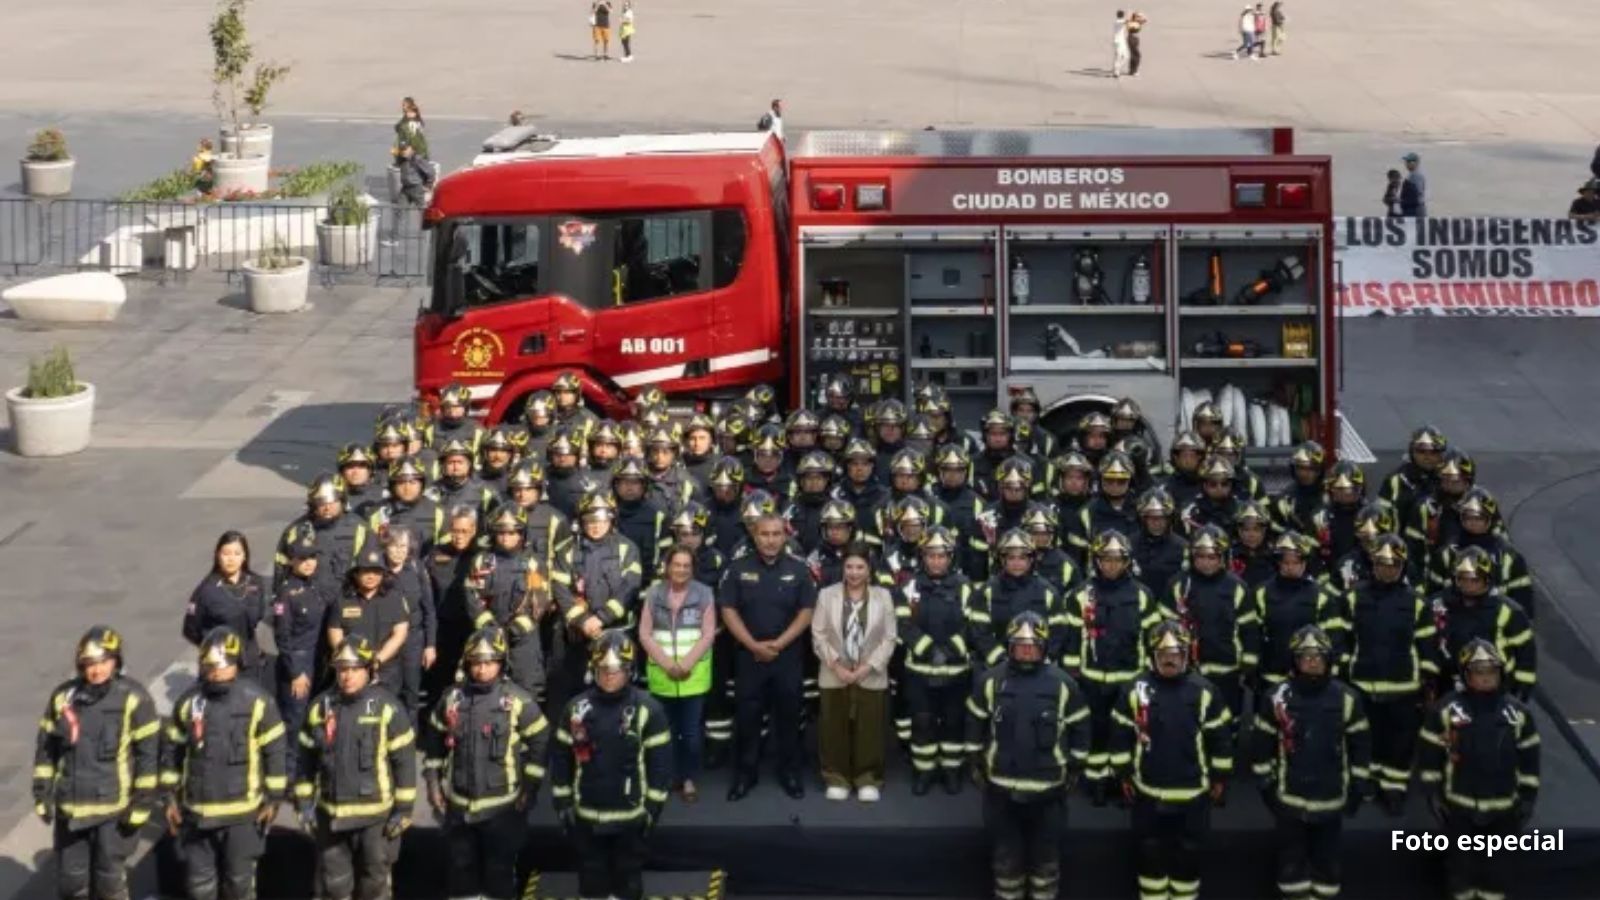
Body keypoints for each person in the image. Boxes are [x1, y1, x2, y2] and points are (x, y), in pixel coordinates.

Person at [966, 611, 1089, 900]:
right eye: (1020, 645)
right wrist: (974, 762)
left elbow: (1081, 727)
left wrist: (1076, 767)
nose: (1026, 651)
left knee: (1046, 861)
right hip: (1001, 792)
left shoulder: (1063, 684)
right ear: (1009, 646)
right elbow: (974, 723)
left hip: (1049, 794)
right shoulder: (990, 681)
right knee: (1006, 860)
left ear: (1044, 647)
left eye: (1033, 645)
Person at [423, 624, 549, 900]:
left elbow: (541, 739)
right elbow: (434, 737)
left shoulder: (516, 701)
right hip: (460, 807)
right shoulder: (452, 699)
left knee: (499, 875)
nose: (482, 669)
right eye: (476, 663)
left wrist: (530, 786)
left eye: (489, 663)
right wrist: (433, 781)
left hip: (503, 808)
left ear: (501, 663)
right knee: (461, 875)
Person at [160, 627, 287, 900]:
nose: (216, 671)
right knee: (199, 888)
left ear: (238, 663)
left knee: (239, 885)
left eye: (224, 665)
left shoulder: (258, 702)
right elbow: (172, 753)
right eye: (210, 665)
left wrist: (274, 798)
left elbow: (275, 753)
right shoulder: (188, 704)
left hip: (243, 815)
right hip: (197, 815)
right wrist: (169, 797)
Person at [35, 626, 160, 900]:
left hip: (113, 812)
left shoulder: (134, 699)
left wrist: (142, 804)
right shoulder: (62, 699)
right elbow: (46, 750)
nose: (96, 670)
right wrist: (42, 793)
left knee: (109, 883)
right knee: (71, 884)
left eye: (103, 662)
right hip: (71, 811)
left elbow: (148, 757)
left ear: (116, 661)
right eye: (89, 663)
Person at [1110, 621, 1233, 900]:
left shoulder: (1206, 691)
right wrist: (1123, 774)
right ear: (1152, 655)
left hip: (1193, 793)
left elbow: (1221, 741)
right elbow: (1120, 736)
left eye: (1177, 654)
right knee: (1149, 851)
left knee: (1189, 853)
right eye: (1163, 654)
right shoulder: (1134, 690)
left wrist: (1220, 778)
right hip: (1147, 791)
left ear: (1188, 655)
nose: (1170, 660)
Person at [1251, 626, 1372, 900]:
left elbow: (1361, 746)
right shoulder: (1276, 698)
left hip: (1331, 799)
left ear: (1329, 660)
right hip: (1289, 800)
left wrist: (1358, 785)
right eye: (1305, 656)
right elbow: (1261, 747)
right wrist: (1266, 785)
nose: (1313, 661)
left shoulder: (1347, 698)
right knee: (1290, 861)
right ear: (1294, 661)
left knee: (1327, 861)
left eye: (1318, 656)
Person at [550, 630, 672, 900]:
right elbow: (561, 760)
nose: (609, 676)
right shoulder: (576, 709)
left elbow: (660, 766)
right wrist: (562, 803)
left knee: (628, 882)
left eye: (617, 670)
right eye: (603, 669)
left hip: (630, 818)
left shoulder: (648, 710)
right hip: (586, 817)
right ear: (592, 669)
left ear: (630, 670)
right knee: (591, 881)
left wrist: (652, 809)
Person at [293, 637, 416, 900]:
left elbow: (404, 762)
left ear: (369, 669)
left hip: (375, 819)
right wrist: (303, 804)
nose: (347, 676)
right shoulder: (320, 708)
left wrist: (403, 810)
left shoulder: (387, 708)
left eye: (354, 669)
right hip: (331, 817)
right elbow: (305, 761)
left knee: (374, 883)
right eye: (342, 669)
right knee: (334, 886)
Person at [1418, 640, 1539, 900]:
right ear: (1465, 675)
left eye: (1491, 671)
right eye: (1479, 672)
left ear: (1501, 673)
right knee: (1460, 869)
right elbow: (1430, 755)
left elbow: (1530, 759)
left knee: (1498, 871)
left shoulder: (1518, 714)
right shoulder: (1446, 710)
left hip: (1503, 809)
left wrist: (1528, 797)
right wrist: (1431, 793)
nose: (1486, 678)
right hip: (1459, 807)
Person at [721, 512, 818, 801]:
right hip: (749, 657)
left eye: (776, 534)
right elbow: (728, 610)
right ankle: (745, 775)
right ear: (754, 535)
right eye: (765, 534)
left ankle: (790, 773)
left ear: (785, 536)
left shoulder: (799, 569)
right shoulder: (737, 568)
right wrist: (753, 645)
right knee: (747, 718)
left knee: (789, 718)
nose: (771, 540)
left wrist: (778, 644)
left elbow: (807, 611)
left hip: (787, 658)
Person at [1063, 530, 1162, 805]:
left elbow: (1152, 637)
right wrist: (1073, 672)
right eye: (1106, 559)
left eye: (1117, 560)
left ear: (1127, 561)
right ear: (1096, 561)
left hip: (1130, 679)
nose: (1111, 565)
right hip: (1091, 678)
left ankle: (1123, 780)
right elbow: (1072, 638)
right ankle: (1097, 780)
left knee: (1128, 732)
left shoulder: (1142, 595)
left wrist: (1148, 674)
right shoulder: (1080, 595)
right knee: (1096, 730)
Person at [1341, 533, 1433, 814]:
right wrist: (1343, 674)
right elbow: (1342, 640)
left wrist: (1427, 683)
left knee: (1400, 742)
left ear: (1403, 566)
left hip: (1403, 686)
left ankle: (1393, 788)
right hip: (1363, 683)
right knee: (1364, 737)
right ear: (1373, 564)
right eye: (1382, 563)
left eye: (1394, 564)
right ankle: (1365, 782)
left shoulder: (1417, 602)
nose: (1388, 569)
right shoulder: (1352, 597)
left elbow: (1428, 646)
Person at [813, 543, 898, 801]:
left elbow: (889, 638)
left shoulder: (883, 596)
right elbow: (818, 635)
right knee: (833, 728)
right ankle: (836, 777)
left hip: (870, 674)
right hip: (833, 672)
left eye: (860, 567)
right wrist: (837, 666)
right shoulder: (826, 595)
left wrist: (866, 668)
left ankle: (868, 778)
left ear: (869, 569)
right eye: (849, 566)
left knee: (869, 729)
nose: (854, 572)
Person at [899, 527, 976, 794]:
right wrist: (928, 649)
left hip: (956, 670)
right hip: (919, 669)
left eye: (942, 556)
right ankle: (924, 770)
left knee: (954, 721)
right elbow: (902, 622)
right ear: (922, 557)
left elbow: (973, 624)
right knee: (923, 722)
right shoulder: (910, 585)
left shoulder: (965, 586)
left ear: (950, 558)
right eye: (930, 556)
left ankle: (951, 770)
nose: (936, 561)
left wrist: (951, 650)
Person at [1162, 526, 1258, 736]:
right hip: (1189, 669)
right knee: (1190, 720)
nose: (1206, 562)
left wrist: (1249, 662)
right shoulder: (1178, 584)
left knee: (1228, 720)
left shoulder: (1237, 587)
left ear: (1223, 557)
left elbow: (1249, 628)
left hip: (1228, 669)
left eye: (1212, 557)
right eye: (1201, 556)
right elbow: (1165, 627)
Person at [639, 545, 718, 802]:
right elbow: (644, 634)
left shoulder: (704, 593)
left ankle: (688, 779)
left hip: (693, 677)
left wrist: (685, 665)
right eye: (677, 564)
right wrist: (667, 665)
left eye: (686, 565)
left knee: (691, 735)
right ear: (667, 566)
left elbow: (708, 634)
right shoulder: (653, 594)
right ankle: (668, 777)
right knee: (666, 733)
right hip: (662, 677)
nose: (681, 570)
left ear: (692, 568)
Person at [271, 531, 331, 777]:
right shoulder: (286, 593)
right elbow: (282, 638)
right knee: (294, 721)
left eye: (312, 557)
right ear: (292, 561)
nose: (308, 563)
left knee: (316, 717)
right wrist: (295, 672)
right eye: (302, 558)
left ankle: (311, 769)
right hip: (298, 662)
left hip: (319, 661)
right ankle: (290, 776)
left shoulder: (316, 586)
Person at [184, 530, 270, 684]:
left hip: (249, 661)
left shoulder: (255, 583)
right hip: (220, 666)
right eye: (226, 553)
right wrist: (213, 648)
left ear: (244, 556)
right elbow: (190, 629)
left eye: (237, 553)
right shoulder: (206, 590)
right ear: (218, 555)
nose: (231, 559)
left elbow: (258, 615)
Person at [326, 546, 411, 691]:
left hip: (386, 671)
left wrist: (377, 660)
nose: (371, 576)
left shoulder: (394, 598)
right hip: (352, 672)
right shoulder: (342, 600)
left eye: (376, 571)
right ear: (355, 574)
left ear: (383, 574)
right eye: (366, 571)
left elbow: (400, 634)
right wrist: (352, 660)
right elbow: (335, 632)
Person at [274, 473, 370, 597]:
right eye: (321, 502)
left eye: (333, 501)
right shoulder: (295, 530)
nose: (327, 508)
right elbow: (281, 571)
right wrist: (281, 604)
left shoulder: (360, 528)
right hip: (307, 601)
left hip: (346, 601)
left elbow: (371, 570)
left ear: (342, 501)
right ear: (313, 504)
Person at [395, 141, 435, 207]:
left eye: (405, 149)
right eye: (402, 150)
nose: (403, 152)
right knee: (400, 209)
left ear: (410, 148)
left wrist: (428, 186)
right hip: (405, 188)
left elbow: (430, 172)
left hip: (416, 188)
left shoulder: (417, 159)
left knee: (422, 209)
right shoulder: (402, 159)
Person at [393, 97, 428, 161]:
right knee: (395, 151)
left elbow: (414, 137)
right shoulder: (406, 117)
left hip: (414, 149)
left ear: (409, 106)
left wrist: (410, 148)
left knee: (402, 152)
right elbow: (398, 128)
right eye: (402, 105)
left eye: (404, 105)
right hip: (406, 145)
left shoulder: (413, 119)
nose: (402, 107)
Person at [1399, 152, 1427, 218]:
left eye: (1409, 161)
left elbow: (1418, 192)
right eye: (1406, 161)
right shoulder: (1411, 174)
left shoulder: (1416, 175)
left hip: (1415, 208)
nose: (1406, 164)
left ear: (1416, 163)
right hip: (1413, 207)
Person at [1127, 11, 1148, 76]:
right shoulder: (1133, 24)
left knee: (1133, 55)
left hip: (1135, 39)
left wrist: (1140, 16)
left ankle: (1131, 70)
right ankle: (1134, 71)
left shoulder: (1135, 22)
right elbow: (1133, 27)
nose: (1140, 18)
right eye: (1138, 17)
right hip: (1132, 39)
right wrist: (1133, 18)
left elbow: (1145, 20)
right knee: (1137, 55)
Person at [1112, 10, 1130, 78]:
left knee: (1126, 56)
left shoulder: (1121, 21)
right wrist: (1129, 17)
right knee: (1118, 56)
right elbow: (1125, 22)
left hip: (1122, 41)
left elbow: (1126, 22)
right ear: (1122, 15)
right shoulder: (1117, 21)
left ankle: (1117, 68)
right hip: (1118, 42)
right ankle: (1116, 72)